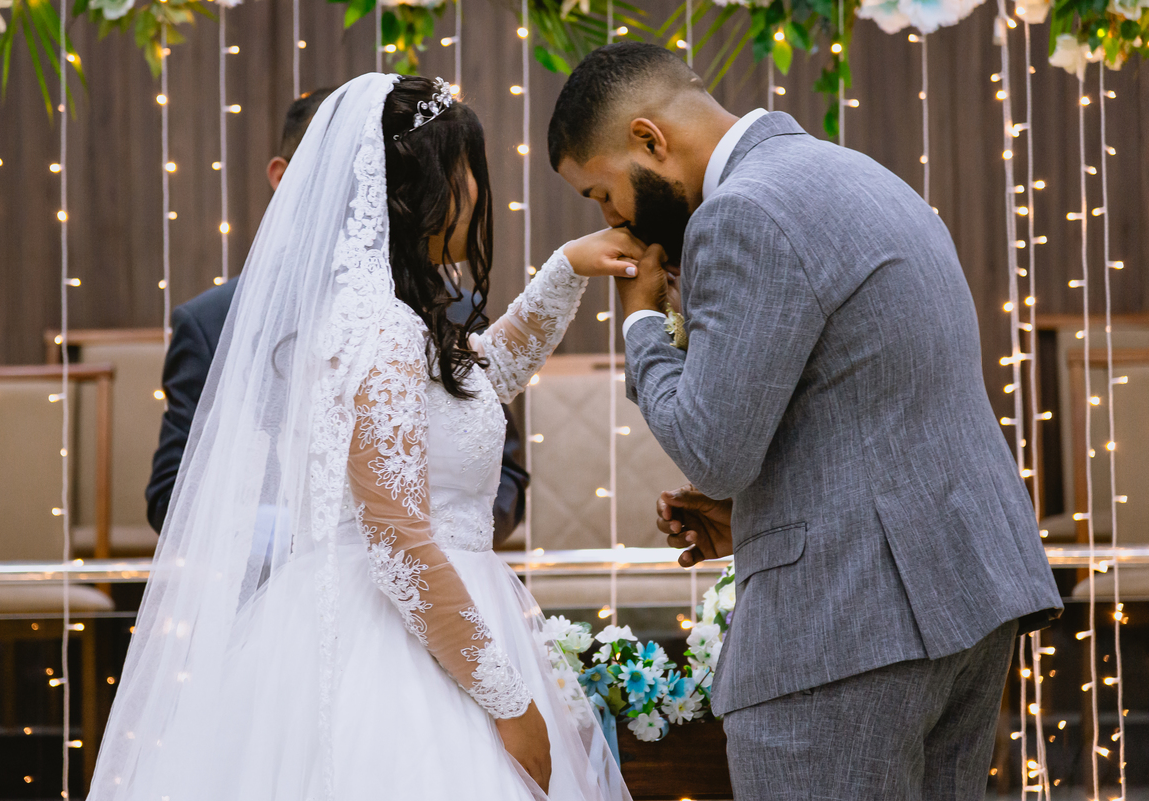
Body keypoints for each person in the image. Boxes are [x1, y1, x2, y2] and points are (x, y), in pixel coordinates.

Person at [90, 74, 639, 801]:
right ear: (421, 189)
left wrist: (566, 270)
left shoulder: (397, 316)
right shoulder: (378, 329)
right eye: (466, 169)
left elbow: (485, 373)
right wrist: (509, 702)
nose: (477, 190)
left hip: (442, 618)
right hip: (394, 644)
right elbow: (398, 539)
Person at [548, 42, 1063, 801]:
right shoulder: (859, 174)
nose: (612, 217)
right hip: (965, 596)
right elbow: (868, 396)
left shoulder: (744, 211)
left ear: (650, 140)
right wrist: (758, 513)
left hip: (850, 622)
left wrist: (641, 324)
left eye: (601, 192)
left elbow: (711, 449)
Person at [146, 88, 530, 547]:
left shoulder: (460, 310)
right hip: (282, 594)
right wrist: (325, 553)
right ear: (283, 177)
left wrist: (450, 539)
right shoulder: (211, 323)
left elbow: (507, 475)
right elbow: (173, 497)